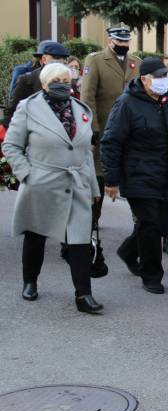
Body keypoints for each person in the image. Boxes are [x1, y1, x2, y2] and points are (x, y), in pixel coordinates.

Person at [2, 63, 104, 314]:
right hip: (42, 181)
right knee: (36, 235)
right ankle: (30, 281)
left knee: (79, 240)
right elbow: (12, 146)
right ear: (45, 84)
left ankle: (83, 294)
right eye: (57, 79)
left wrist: (92, 187)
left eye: (67, 80)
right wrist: (28, 175)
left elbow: (85, 152)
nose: (63, 84)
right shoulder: (28, 108)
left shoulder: (81, 110)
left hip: (75, 182)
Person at [100, 58, 168, 295]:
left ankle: (128, 250)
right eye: (158, 76)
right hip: (138, 176)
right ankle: (151, 274)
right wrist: (111, 179)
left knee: (154, 222)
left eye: (166, 76)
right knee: (151, 224)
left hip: (167, 176)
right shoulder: (126, 104)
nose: (164, 80)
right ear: (144, 79)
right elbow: (111, 141)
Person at [81, 27, 142, 277]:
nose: (123, 44)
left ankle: (137, 246)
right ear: (109, 40)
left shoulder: (136, 63)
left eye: (126, 40)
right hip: (104, 134)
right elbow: (87, 96)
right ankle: (89, 240)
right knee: (98, 189)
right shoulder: (95, 60)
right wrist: (93, 128)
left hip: (132, 138)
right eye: (118, 40)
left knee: (139, 195)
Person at [5, 42, 70, 127]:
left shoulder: (67, 81)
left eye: (64, 58)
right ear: (44, 59)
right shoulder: (27, 80)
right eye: (56, 58)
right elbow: (13, 111)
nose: (60, 61)